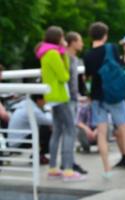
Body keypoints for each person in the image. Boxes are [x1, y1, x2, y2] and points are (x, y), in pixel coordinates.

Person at [83, 22, 125, 178]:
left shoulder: (87, 55)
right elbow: (118, 67)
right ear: (105, 35)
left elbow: (88, 76)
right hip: (115, 95)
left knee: (102, 134)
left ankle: (107, 170)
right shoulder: (111, 48)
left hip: (97, 96)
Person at [36, 26, 84, 181]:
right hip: (61, 96)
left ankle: (52, 168)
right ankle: (68, 170)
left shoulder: (45, 53)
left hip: (52, 96)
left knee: (56, 132)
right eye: (63, 37)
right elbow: (64, 76)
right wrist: (64, 55)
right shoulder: (54, 53)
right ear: (58, 38)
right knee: (70, 130)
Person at [7, 95, 52, 164]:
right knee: (46, 129)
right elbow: (49, 121)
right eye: (45, 99)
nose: (46, 102)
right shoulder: (33, 109)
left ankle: (38, 155)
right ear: (39, 100)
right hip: (19, 142)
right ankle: (39, 156)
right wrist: (49, 111)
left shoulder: (26, 104)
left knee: (43, 127)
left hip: (13, 140)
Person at [65, 32, 84, 115]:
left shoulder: (75, 59)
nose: (82, 44)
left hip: (73, 98)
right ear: (73, 42)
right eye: (80, 41)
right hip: (66, 99)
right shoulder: (64, 58)